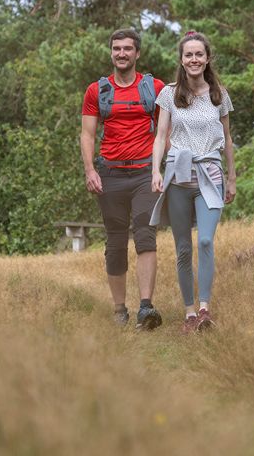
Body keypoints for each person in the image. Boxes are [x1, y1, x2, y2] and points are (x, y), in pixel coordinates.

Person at [150, 31, 236, 333]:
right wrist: (156, 171)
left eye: (199, 54)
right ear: (182, 59)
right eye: (189, 55)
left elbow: (227, 139)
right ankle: (189, 313)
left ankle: (204, 309)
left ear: (207, 58)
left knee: (205, 240)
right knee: (184, 248)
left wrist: (232, 178)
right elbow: (160, 136)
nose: (194, 59)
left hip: (210, 174)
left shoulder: (219, 94)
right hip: (178, 175)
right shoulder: (169, 94)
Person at [80, 28, 166, 329]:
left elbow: (164, 131)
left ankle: (145, 307)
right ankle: (119, 309)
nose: (121, 53)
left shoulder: (154, 87)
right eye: (116, 48)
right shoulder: (97, 91)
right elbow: (87, 133)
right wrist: (90, 170)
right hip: (110, 174)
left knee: (145, 234)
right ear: (111, 52)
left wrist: (160, 168)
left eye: (127, 49)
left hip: (144, 173)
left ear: (137, 53)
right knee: (115, 242)